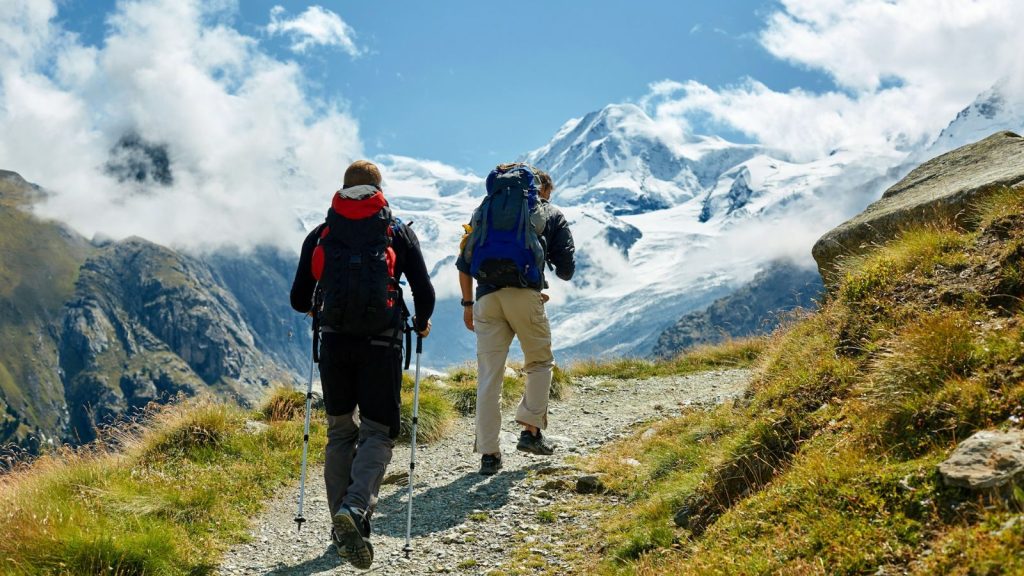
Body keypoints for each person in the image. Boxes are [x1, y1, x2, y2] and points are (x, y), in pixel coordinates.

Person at [290, 160, 435, 568]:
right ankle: (354, 510)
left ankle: (342, 519)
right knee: (377, 432)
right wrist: (421, 323)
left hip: (334, 344)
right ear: (378, 189)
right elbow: (424, 291)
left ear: (342, 189)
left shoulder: (322, 234)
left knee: (339, 431)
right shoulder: (396, 232)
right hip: (380, 344)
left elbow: (299, 299)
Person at [456, 166, 575, 476]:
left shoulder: (484, 210)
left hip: (485, 298)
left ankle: (489, 454)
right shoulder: (547, 210)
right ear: (543, 189)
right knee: (539, 362)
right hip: (524, 296)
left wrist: (468, 304)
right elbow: (566, 269)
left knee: (489, 377)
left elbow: (464, 261)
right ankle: (530, 431)